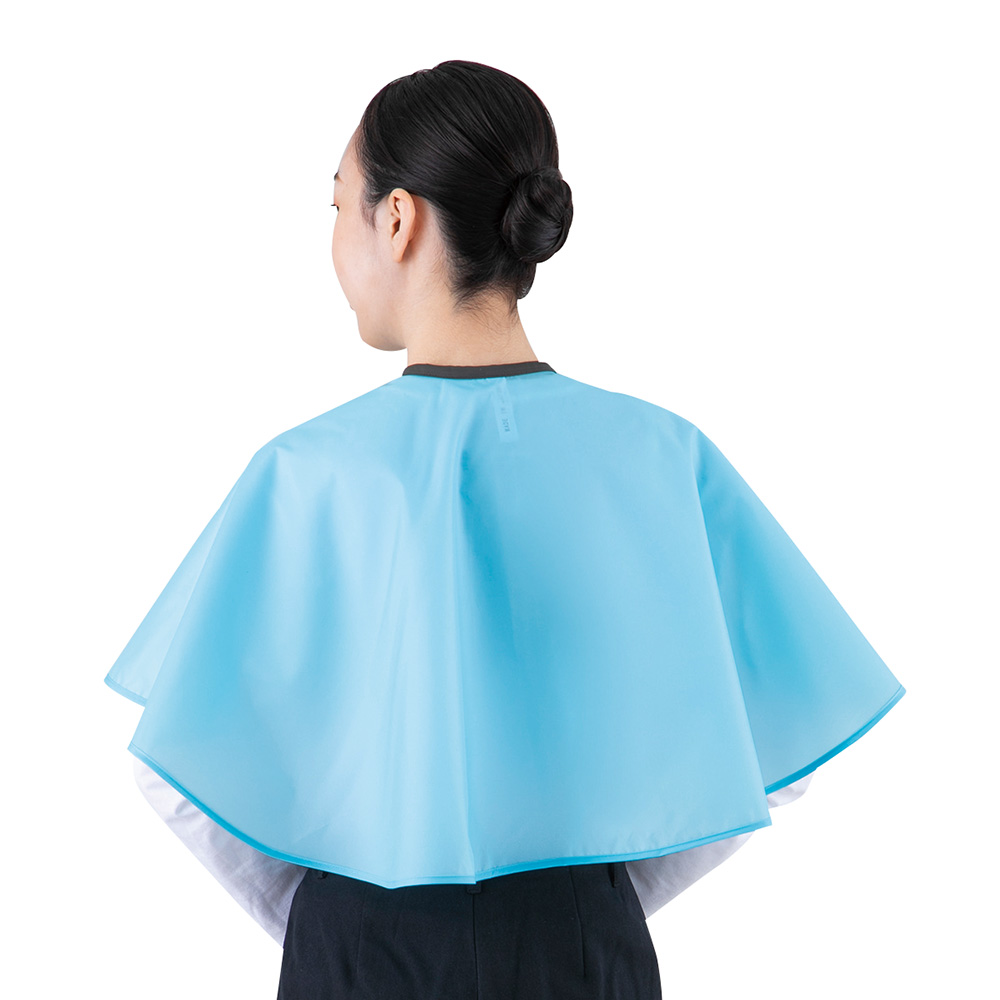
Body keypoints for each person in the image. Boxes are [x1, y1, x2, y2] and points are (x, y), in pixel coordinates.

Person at [105, 60, 906, 999]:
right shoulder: (660, 453)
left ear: (396, 220)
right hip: (583, 942)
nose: (334, 240)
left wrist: (339, 923)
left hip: (358, 944)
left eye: (337, 206)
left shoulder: (307, 471)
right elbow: (773, 750)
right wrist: (593, 902)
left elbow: (178, 773)